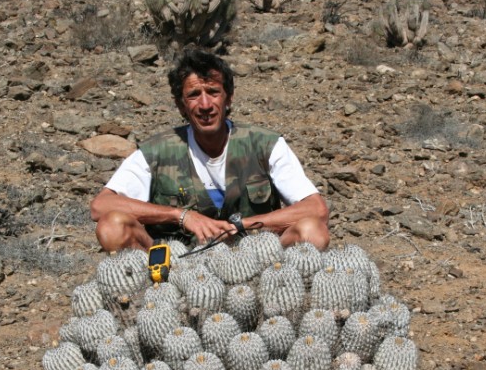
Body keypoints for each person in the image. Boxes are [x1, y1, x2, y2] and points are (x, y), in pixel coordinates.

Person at [90, 49, 330, 253]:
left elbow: (316, 209)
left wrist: (240, 224)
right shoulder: (157, 152)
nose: (205, 105)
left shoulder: (265, 145)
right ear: (181, 105)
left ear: (228, 98)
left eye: (213, 92)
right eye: (194, 95)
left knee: (313, 230)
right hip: (179, 261)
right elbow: (101, 206)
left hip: (256, 258)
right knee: (112, 226)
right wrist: (181, 216)